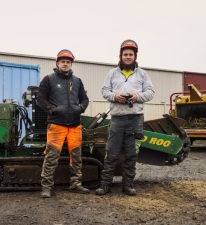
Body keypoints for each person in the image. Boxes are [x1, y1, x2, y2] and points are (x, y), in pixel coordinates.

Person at [95, 40, 155, 196]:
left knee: (131, 154)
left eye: (131, 54)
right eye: (125, 54)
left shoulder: (143, 74)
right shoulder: (112, 73)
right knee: (111, 153)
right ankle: (105, 185)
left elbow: (150, 93)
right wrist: (115, 97)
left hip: (135, 119)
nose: (128, 57)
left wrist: (136, 97)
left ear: (135, 56)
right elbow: (104, 91)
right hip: (117, 119)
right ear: (120, 56)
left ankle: (128, 185)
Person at [37, 49, 90, 198]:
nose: (65, 64)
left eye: (68, 62)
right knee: (52, 156)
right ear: (57, 63)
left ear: (71, 64)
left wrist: (80, 108)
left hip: (74, 125)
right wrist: (52, 109)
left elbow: (85, 99)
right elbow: (40, 99)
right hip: (56, 125)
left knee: (76, 157)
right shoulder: (48, 79)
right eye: (63, 62)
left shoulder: (77, 81)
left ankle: (76, 184)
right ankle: (46, 187)